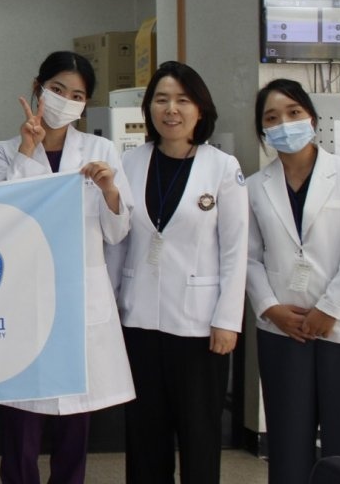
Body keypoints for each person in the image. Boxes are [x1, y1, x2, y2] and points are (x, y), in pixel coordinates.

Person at [0, 51, 134, 484]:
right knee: (22, 421)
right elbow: (5, 219)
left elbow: (117, 232)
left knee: (74, 423)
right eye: (57, 89)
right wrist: (27, 151)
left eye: (77, 95)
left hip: (78, 299)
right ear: (38, 88)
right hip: (23, 297)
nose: (65, 100)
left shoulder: (101, 150)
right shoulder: (4, 151)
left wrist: (109, 190)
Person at [116, 61, 247, 484]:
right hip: (139, 319)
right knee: (144, 436)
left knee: (199, 435)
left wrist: (228, 320)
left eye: (182, 100)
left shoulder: (222, 166)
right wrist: (112, 308)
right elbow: (117, 241)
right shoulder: (129, 162)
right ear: (149, 108)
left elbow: (235, 250)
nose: (171, 109)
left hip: (199, 327)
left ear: (200, 109)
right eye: (161, 99)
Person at [246, 79, 340, 484]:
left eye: (293, 113)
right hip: (283, 329)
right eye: (272, 118)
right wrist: (270, 308)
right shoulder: (254, 187)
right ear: (262, 131)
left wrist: (330, 309)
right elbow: (248, 257)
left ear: (312, 119)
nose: (284, 124)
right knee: (288, 445)